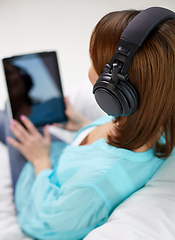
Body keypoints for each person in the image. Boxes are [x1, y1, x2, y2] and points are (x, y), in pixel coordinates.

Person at [5, 7, 175, 240]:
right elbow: (111, 139)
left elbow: (46, 221)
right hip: (62, 157)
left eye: (95, 63)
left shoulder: (96, 183)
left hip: (39, 195)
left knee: (8, 113)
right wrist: (83, 125)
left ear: (114, 93)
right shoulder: (153, 121)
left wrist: (40, 160)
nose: (89, 71)